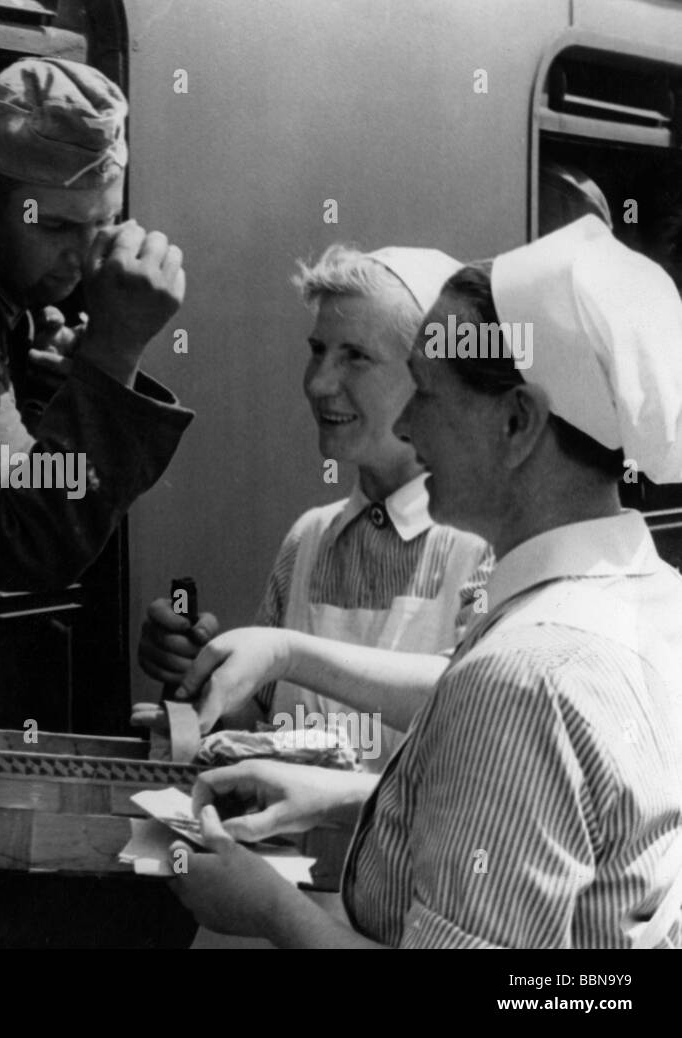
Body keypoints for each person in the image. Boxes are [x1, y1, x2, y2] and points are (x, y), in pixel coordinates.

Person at [171, 215, 682, 948]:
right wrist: (360, 800)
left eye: (431, 395)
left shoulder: (519, 677)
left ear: (517, 422)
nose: (407, 426)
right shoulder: (653, 597)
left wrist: (268, 912)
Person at [134, 244, 492, 885]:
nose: (320, 382)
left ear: (428, 375)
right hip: (298, 911)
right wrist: (205, 677)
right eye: (317, 350)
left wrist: (285, 650)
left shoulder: (481, 544)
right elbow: (271, 731)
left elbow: (479, 710)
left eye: (355, 356)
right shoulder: (311, 539)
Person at [0, 57, 194, 590]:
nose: (85, 257)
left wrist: (57, 394)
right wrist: (112, 357)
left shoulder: (11, 306)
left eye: (104, 223)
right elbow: (26, 539)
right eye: (56, 226)